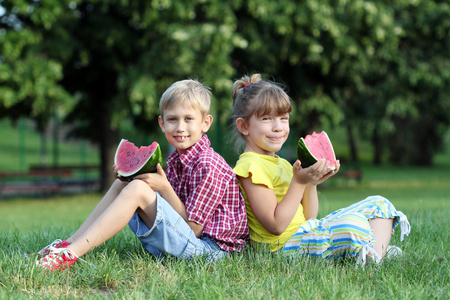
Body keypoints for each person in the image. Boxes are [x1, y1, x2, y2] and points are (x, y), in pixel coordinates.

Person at [34, 79, 249, 271]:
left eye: (188, 119)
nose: (180, 127)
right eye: (172, 119)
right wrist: (134, 175)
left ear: (206, 123)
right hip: (189, 243)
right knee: (124, 183)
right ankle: (68, 243)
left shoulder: (208, 164)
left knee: (137, 189)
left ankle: (70, 256)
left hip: (212, 254)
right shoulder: (178, 159)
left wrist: (162, 187)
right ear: (162, 123)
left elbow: (193, 229)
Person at [231, 73, 410, 264]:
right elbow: (275, 225)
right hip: (282, 249)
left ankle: (373, 255)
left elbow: (309, 217)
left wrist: (311, 183)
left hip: (306, 234)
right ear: (244, 126)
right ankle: (372, 251)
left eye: (284, 118)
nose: (278, 127)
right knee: (354, 225)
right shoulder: (250, 167)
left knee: (379, 204)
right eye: (266, 118)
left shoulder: (282, 163)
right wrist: (299, 182)